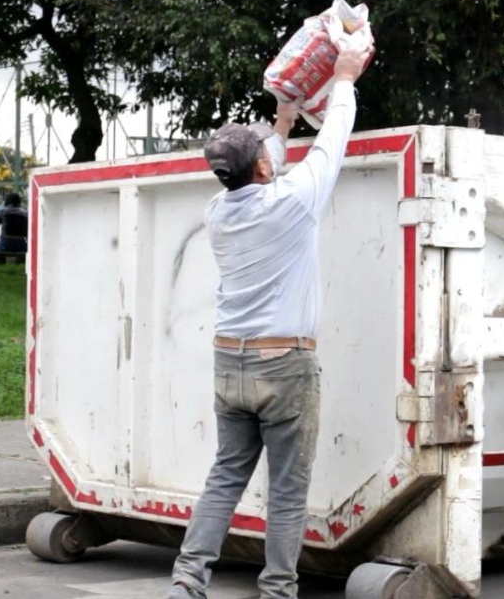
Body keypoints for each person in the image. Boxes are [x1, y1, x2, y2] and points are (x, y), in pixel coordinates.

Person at [167, 40, 372, 599]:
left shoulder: (219, 211)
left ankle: (187, 583)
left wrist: (282, 123)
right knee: (286, 490)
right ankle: (277, 590)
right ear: (260, 167)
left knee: (225, 475)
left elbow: (262, 166)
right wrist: (346, 76)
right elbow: (331, 145)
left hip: (228, 360)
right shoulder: (294, 201)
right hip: (283, 364)